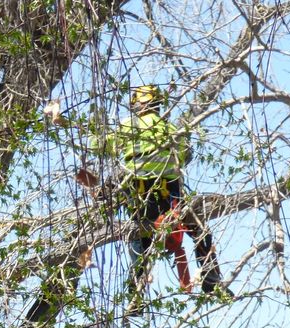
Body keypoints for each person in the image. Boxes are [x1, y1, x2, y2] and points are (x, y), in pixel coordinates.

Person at [90, 85, 226, 307]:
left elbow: (98, 146)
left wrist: (96, 125)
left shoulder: (127, 126)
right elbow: (183, 156)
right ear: (157, 103)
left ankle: (136, 290)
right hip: (169, 195)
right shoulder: (170, 128)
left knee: (138, 237)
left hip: (139, 194)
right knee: (198, 228)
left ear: (137, 103)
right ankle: (211, 277)